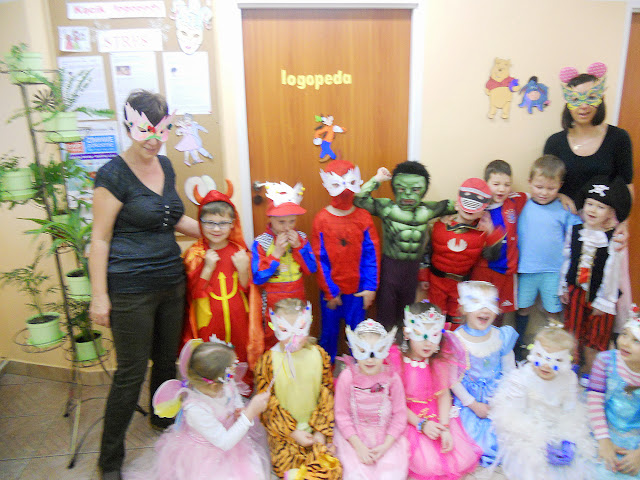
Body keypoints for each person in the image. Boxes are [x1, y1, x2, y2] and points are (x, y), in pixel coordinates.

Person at [89, 90, 201, 480]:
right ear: (129, 126)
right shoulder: (112, 175)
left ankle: (162, 417)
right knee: (130, 373)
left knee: (167, 361)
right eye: (144, 130)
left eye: (160, 130)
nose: (153, 140)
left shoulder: (166, 165)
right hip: (130, 289)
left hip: (171, 281)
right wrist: (99, 297)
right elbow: (99, 239)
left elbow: (172, 218)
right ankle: (109, 461)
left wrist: (219, 232)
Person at [543, 61, 634, 329]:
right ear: (567, 102)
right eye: (576, 99)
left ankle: (606, 346)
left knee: (604, 291)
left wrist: (624, 223)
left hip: (606, 227)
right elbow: (547, 181)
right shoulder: (555, 142)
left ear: (601, 99)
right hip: (568, 227)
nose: (583, 106)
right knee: (568, 290)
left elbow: (627, 184)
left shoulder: (618, 138)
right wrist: (561, 196)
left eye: (590, 98)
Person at [134, 338, 271, 480]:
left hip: (231, 442)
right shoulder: (196, 409)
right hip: (207, 457)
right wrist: (249, 414)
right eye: (231, 372)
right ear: (214, 385)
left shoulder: (225, 383)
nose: (233, 376)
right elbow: (224, 442)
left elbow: (234, 393)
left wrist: (239, 408)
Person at [354, 161, 456, 331]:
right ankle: (384, 346)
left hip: (412, 270)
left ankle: (403, 346)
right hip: (390, 268)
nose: (408, 194)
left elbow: (460, 205)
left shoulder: (428, 210)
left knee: (406, 316)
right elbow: (359, 199)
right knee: (385, 314)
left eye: (415, 189)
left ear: (423, 189)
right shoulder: (387, 208)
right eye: (402, 189)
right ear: (395, 188)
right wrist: (377, 179)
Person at [386, 302, 482, 480]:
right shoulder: (397, 360)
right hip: (407, 416)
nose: (428, 343)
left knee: (456, 456)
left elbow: (443, 394)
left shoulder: (438, 361)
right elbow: (395, 402)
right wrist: (421, 424)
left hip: (435, 414)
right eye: (421, 335)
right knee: (427, 464)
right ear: (407, 333)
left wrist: (445, 427)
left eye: (434, 335)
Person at [490, 326, 596, 480]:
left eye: (556, 360)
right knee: (533, 467)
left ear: (567, 361)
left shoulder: (569, 378)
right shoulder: (521, 378)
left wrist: (568, 439)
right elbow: (515, 417)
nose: (546, 365)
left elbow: (571, 411)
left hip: (556, 425)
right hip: (527, 430)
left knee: (578, 463)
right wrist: (542, 442)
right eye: (541, 356)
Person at [254, 299, 342, 479]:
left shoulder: (319, 355)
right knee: (290, 470)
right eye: (285, 330)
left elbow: (326, 394)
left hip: (315, 429)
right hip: (285, 435)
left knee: (328, 469)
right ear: (275, 327)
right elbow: (268, 407)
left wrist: (320, 432)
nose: (293, 338)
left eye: (299, 329)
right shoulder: (268, 361)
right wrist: (293, 433)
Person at [182, 175, 263, 370]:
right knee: (211, 361)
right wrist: (207, 269)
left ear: (233, 223)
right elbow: (193, 294)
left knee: (239, 356)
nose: (216, 229)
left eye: (223, 223)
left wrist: (243, 270)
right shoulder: (195, 255)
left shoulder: (240, 252)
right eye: (209, 223)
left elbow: (249, 292)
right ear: (200, 222)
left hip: (238, 318)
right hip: (209, 320)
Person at [560, 175, 632, 378]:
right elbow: (567, 259)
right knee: (572, 332)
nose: (592, 210)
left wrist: (604, 301)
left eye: (600, 207)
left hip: (601, 297)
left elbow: (612, 273)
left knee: (595, 337)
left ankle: (592, 374)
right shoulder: (575, 231)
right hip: (576, 292)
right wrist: (563, 286)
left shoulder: (613, 238)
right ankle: (571, 371)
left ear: (611, 212)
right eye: (590, 204)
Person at [311, 159, 380, 362]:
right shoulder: (321, 219)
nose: (344, 192)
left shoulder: (363, 218)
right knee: (328, 335)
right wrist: (330, 291)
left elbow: (371, 254)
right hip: (331, 292)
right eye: (337, 185)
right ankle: (326, 372)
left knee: (358, 338)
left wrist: (370, 287)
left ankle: (358, 373)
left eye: (349, 184)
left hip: (358, 292)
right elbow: (319, 258)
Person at [515, 155, 581, 358]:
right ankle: (519, 345)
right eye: (539, 187)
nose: (544, 193)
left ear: (560, 186)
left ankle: (554, 349)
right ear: (529, 182)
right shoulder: (522, 204)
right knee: (523, 308)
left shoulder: (564, 209)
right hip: (526, 269)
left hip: (553, 272)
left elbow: (578, 234)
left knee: (553, 311)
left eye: (551, 188)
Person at [451, 281, 518, 466]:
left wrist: (501, 402)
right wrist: (473, 405)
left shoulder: (501, 337)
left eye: (490, 304)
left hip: (497, 396)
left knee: (509, 436)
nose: (485, 310)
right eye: (477, 304)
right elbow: (452, 379)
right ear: (464, 308)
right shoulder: (456, 340)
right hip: (468, 399)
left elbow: (510, 373)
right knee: (467, 440)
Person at [334, 319, 409, 480]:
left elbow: (400, 414)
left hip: (385, 438)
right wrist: (358, 446)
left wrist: (386, 446)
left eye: (377, 351)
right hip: (354, 439)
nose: (370, 359)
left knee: (390, 475)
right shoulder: (347, 377)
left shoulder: (392, 378)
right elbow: (341, 414)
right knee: (355, 475)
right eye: (363, 351)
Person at [424, 178, 504, 320]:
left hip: (462, 285)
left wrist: (492, 233)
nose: (469, 210)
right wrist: (423, 277)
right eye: (467, 203)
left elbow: (493, 256)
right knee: (435, 317)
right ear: (457, 205)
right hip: (436, 281)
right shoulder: (439, 225)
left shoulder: (483, 232)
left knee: (457, 319)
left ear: (482, 212)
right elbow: (425, 251)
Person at [252, 181, 317, 350]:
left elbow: (311, 269)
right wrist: (275, 255)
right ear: (270, 218)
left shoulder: (301, 238)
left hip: (297, 292)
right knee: (274, 332)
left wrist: (299, 248)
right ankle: (273, 364)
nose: (287, 227)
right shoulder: (262, 242)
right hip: (273, 296)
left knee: (299, 330)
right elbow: (258, 278)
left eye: (292, 221)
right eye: (281, 222)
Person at [471, 160, 528, 322]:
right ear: (486, 184)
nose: (502, 189)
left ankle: (495, 335)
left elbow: (535, 194)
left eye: (507, 184)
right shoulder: (478, 209)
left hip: (506, 270)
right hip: (483, 269)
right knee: (479, 307)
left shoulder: (514, 201)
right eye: (496, 184)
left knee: (499, 311)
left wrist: (561, 196)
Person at [588, 304, 640, 478]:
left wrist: (638, 454)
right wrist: (603, 441)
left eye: (636, 341)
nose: (625, 343)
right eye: (624, 334)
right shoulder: (605, 361)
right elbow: (595, 403)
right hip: (602, 426)